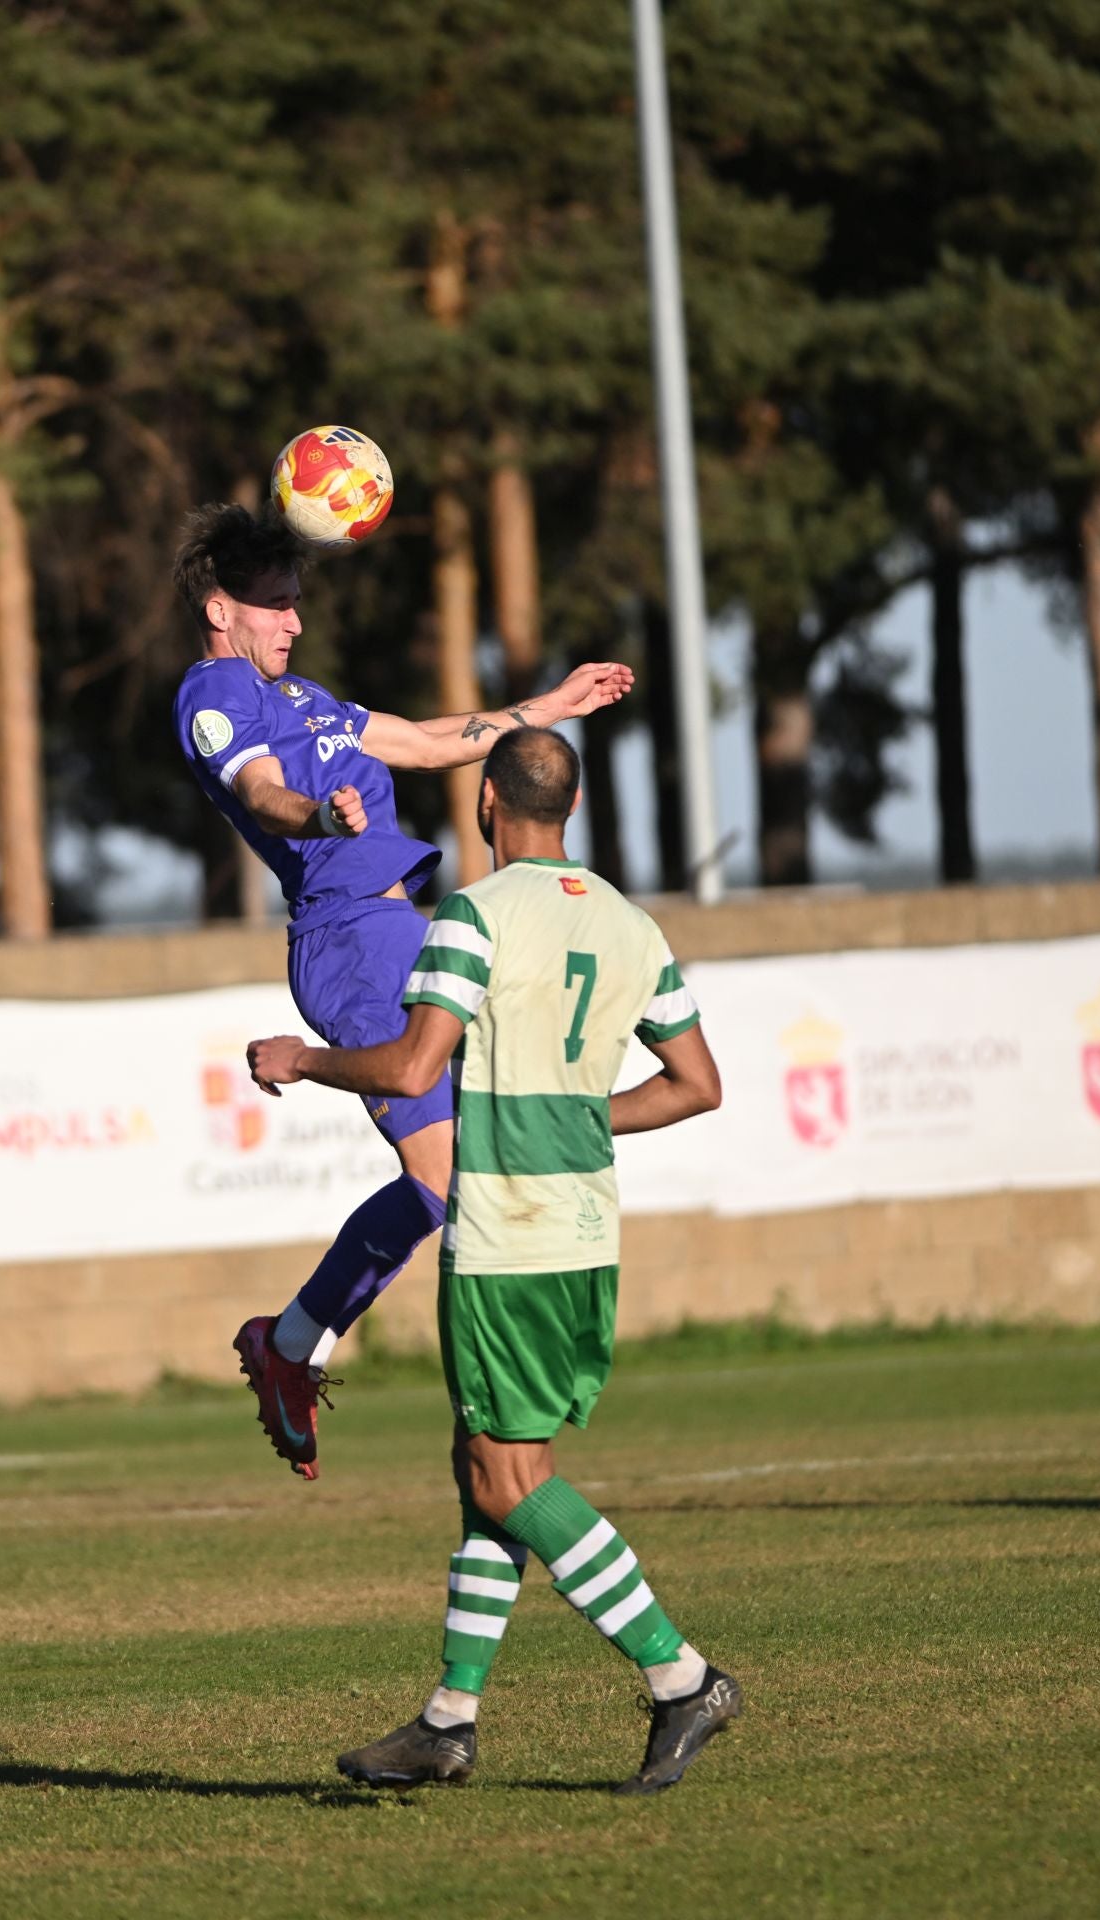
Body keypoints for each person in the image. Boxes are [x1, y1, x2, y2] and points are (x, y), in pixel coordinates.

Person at [246, 728, 740, 1795]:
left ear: (484, 808)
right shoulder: (628, 923)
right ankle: (448, 1718)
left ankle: (680, 1676)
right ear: (570, 808)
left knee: (511, 1479)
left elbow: (415, 1061)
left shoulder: (473, 915)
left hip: (506, 1232)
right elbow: (696, 1083)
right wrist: (575, 1112)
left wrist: (305, 1058)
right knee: (487, 1465)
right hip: (584, 1230)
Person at [172, 503, 633, 1480]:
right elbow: (262, 796)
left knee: (463, 1172)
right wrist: (320, 822)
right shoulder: (215, 692)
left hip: (404, 930)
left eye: (298, 604)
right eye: (276, 606)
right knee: (447, 1182)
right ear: (222, 609)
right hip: (351, 942)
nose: (294, 623)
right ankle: (429, 1392)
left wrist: (550, 706)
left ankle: (294, 1345)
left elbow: (426, 743)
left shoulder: (302, 696)